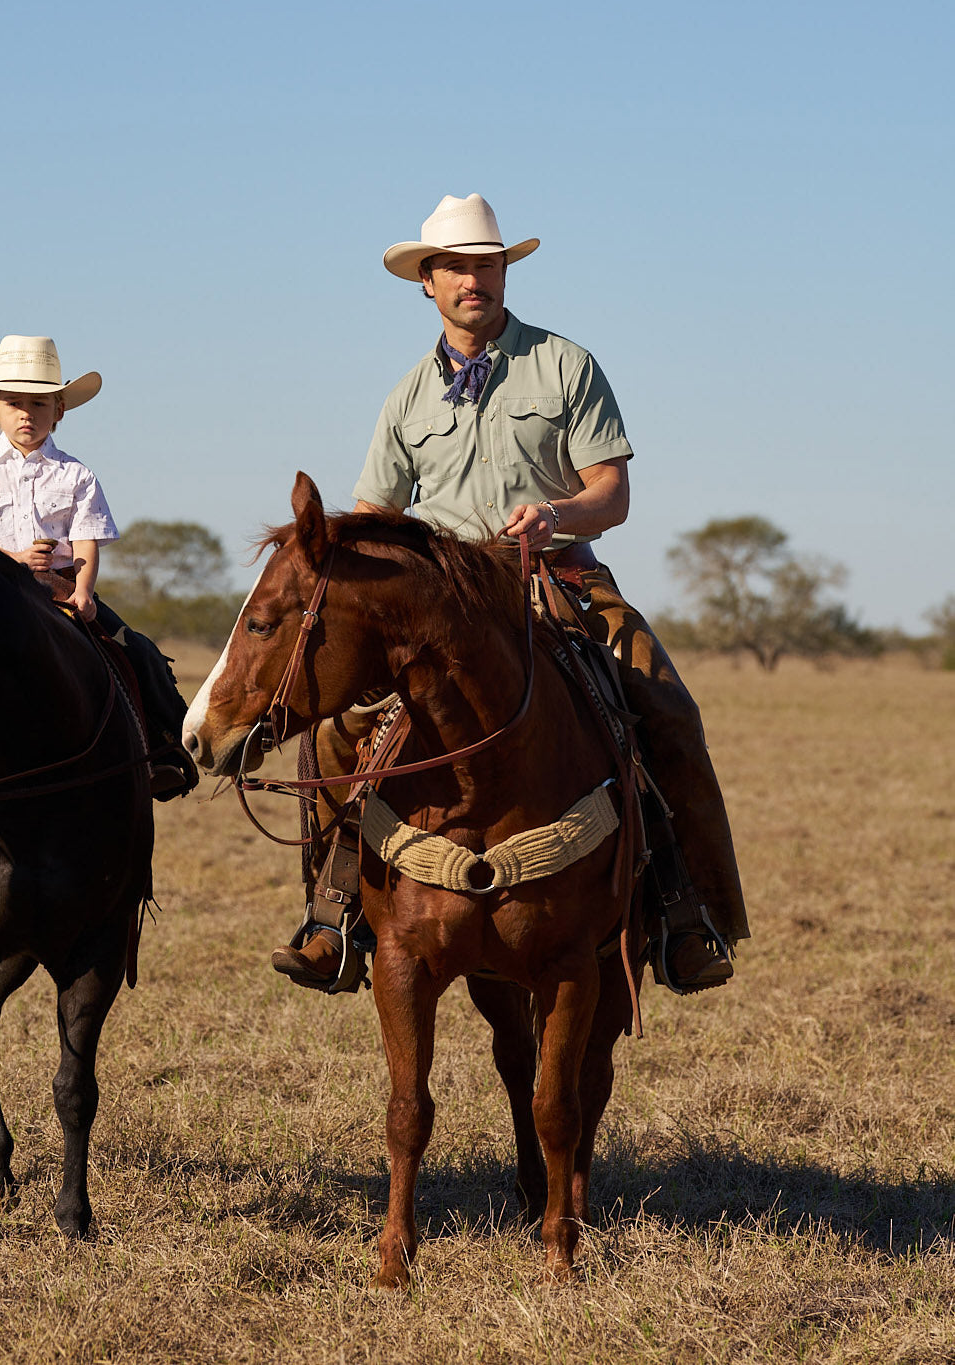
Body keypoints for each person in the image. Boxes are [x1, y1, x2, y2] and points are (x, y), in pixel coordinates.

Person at [270, 195, 748, 993]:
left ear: (503, 273)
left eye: (485, 264)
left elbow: (612, 494)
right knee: (333, 733)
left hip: (558, 580)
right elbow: (377, 516)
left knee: (667, 712)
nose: (472, 279)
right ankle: (333, 918)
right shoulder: (405, 398)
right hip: (442, 608)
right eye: (454, 266)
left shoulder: (566, 364)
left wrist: (556, 513)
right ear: (426, 282)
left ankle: (684, 913)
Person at [0, 334, 197, 799]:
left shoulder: (76, 475)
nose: (26, 414)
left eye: (39, 404)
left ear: (59, 410)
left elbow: (86, 540)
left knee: (138, 652)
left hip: (58, 592)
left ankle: (162, 751)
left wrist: (84, 592)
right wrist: (12, 558)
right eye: (14, 403)